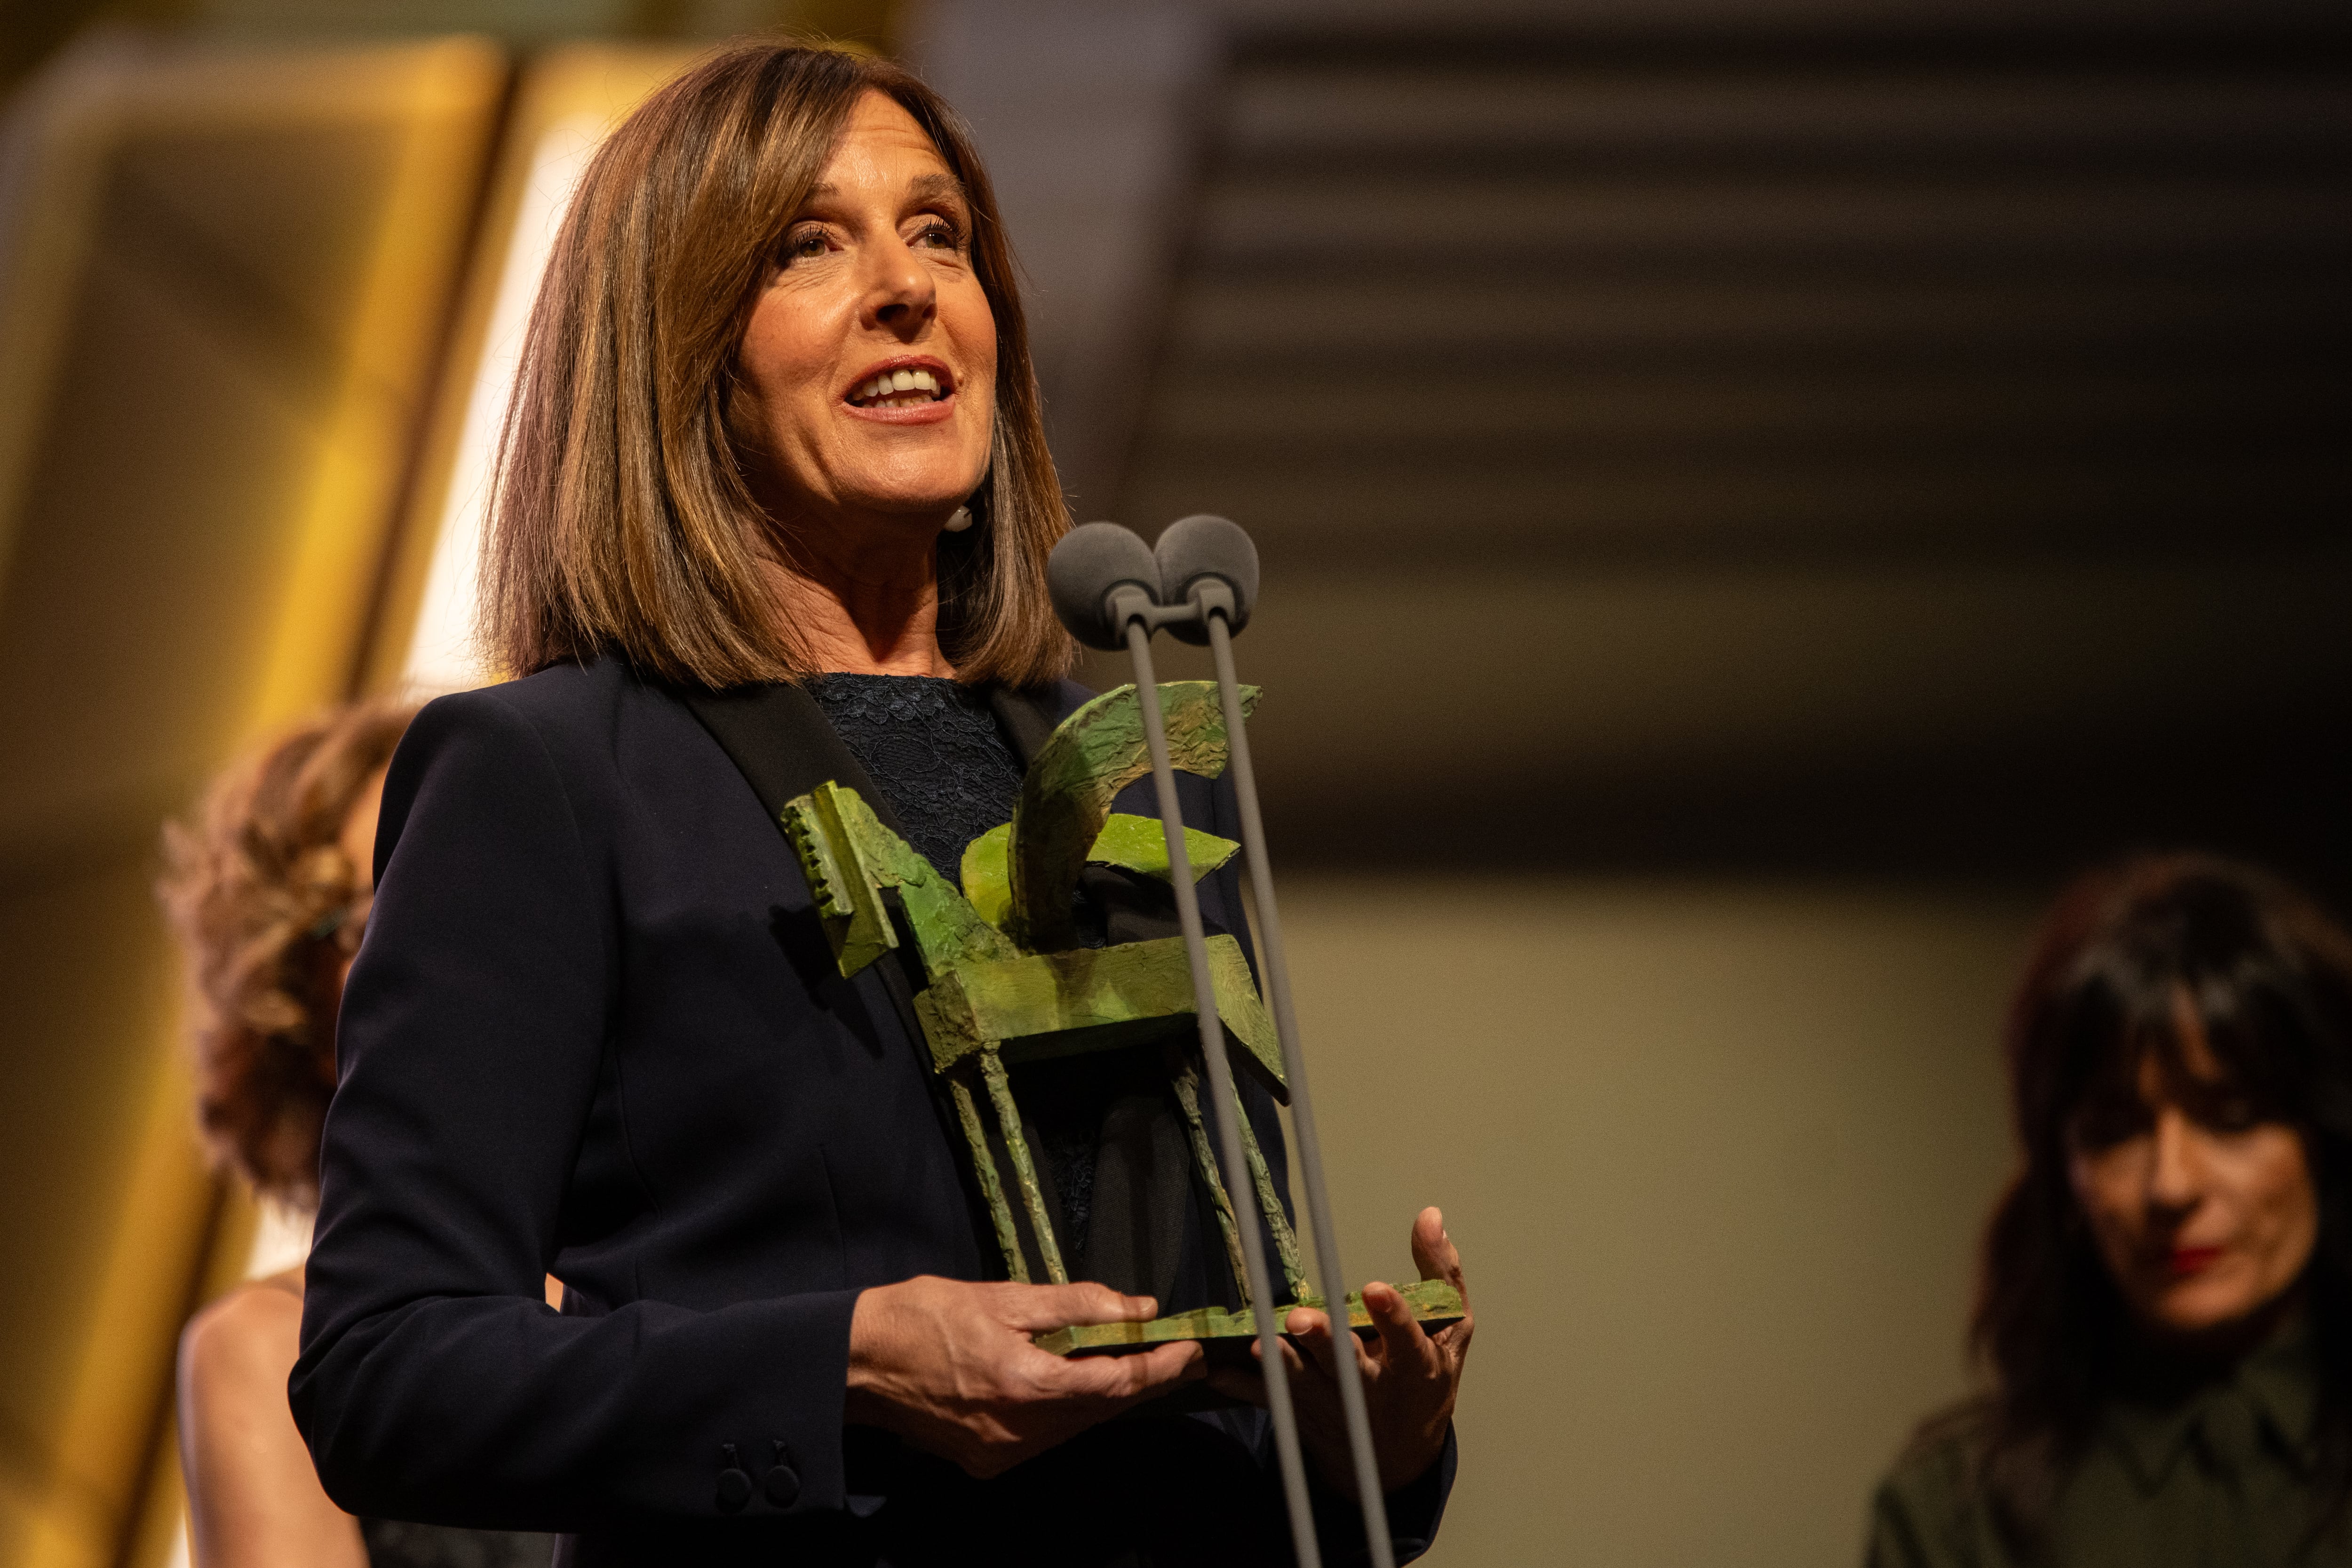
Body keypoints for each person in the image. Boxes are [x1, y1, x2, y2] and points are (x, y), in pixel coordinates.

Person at [290, 41, 1471, 1568]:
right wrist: (847, 1363)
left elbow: (1204, 1372)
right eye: (809, 244)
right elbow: (386, 1370)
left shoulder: (1108, 779)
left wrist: (1371, 1443)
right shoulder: (550, 776)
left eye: (940, 234)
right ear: (679, 354)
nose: (910, 288)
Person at [1867, 852, 2352, 1566]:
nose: (2172, 1184)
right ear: (2064, 1173)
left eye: (2231, 1117)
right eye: (2117, 1129)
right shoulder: (1957, 1509)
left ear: (2327, 1139)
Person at [161, 699, 557, 1568]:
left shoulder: (687, 1241)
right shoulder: (266, 1353)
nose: (452, 950)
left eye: (480, 888)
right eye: (383, 919)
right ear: (299, 1021)